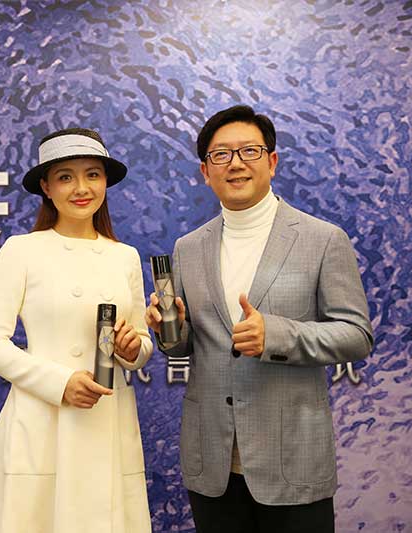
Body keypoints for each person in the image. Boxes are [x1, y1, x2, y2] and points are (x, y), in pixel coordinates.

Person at [145, 105, 374, 533]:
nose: (235, 163)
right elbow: (187, 346)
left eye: (249, 151)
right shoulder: (188, 248)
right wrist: (169, 330)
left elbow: (357, 334)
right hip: (212, 461)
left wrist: (277, 335)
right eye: (221, 155)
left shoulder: (323, 239)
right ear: (205, 171)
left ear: (272, 161)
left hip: (292, 460)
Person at [0, 128, 154, 533]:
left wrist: (131, 348)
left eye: (92, 175)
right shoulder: (22, 250)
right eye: (66, 177)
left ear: (105, 182)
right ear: (46, 188)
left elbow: (140, 344)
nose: (81, 188)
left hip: (108, 416)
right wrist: (60, 382)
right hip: (42, 417)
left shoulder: (124, 256)